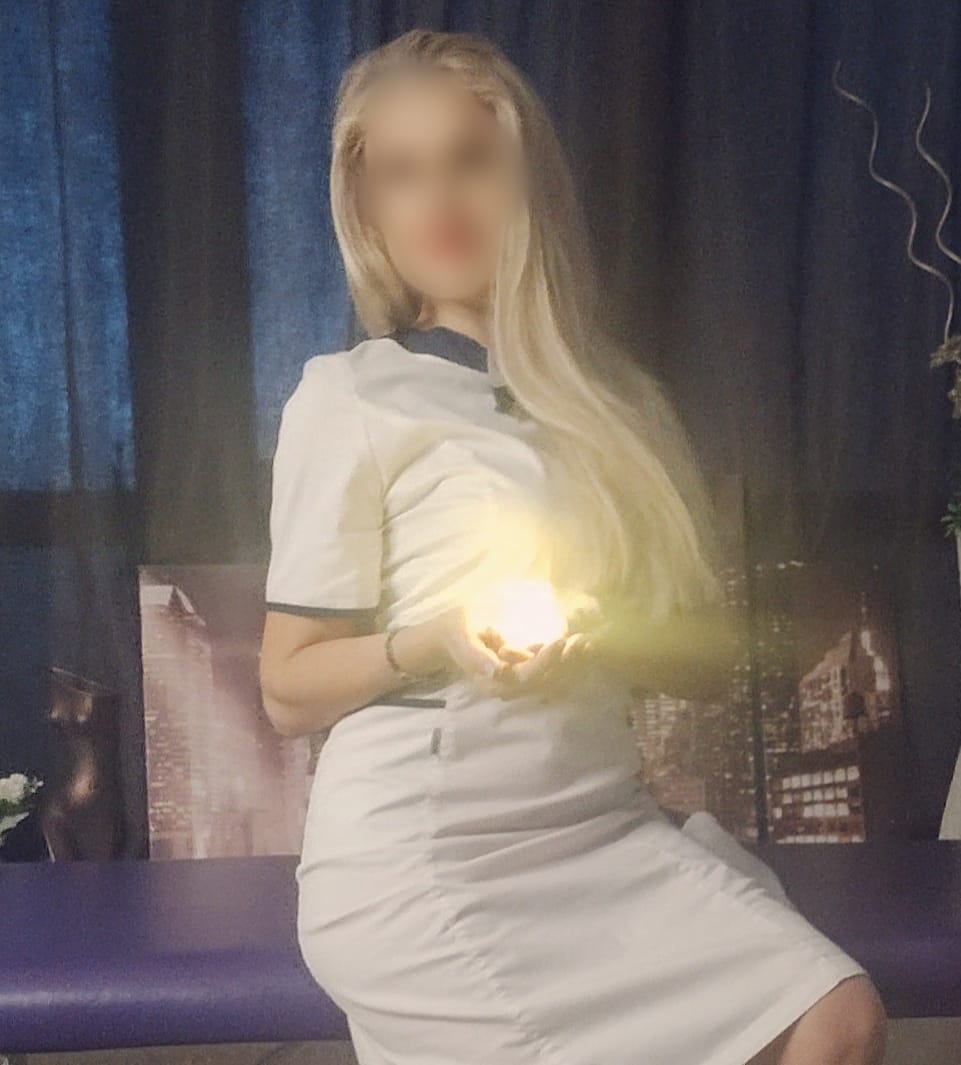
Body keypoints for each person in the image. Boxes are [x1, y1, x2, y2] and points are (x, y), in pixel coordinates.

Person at [258, 27, 888, 1065]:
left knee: (835, 1015)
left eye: (470, 159)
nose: (439, 200)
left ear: (525, 177)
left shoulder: (615, 402)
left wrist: (600, 629)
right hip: (427, 850)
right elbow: (287, 689)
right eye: (402, 174)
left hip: (598, 823)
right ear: (368, 209)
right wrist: (440, 638)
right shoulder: (351, 396)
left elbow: (692, 664)